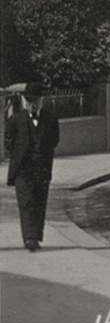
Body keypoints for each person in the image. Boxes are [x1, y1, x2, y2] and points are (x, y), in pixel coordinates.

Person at [5, 81, 60, 252]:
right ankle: (29, 238)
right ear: (23, 101)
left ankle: (36, 235)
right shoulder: (15, 120)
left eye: (35, 101)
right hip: (22, 169)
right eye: (28, 101)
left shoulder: (50, 119)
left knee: (39, 202)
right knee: (26, 202)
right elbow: (9, 143)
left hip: (42, 168)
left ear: (42, 100)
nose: (32, 104)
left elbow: (54, 141)